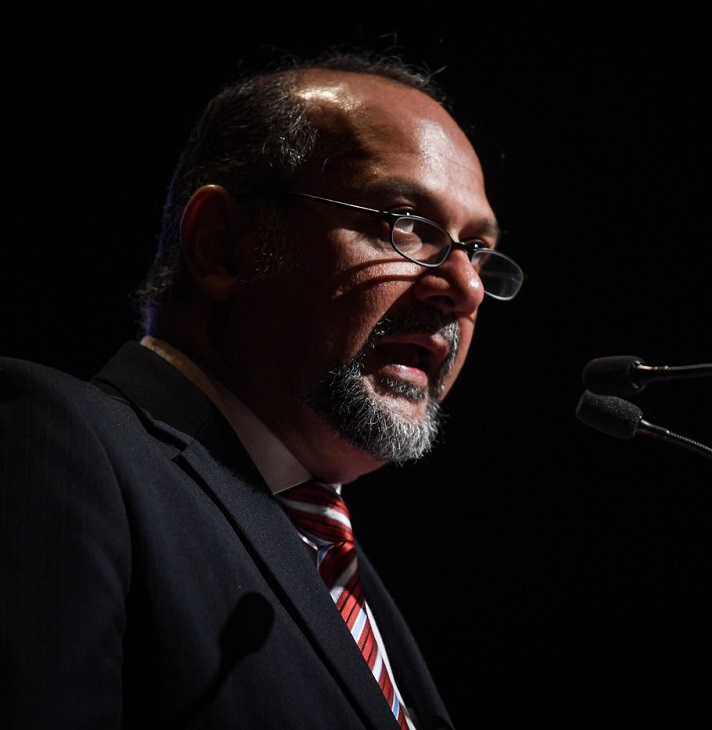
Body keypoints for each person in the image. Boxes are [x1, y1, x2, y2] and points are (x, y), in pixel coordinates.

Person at [0, 47, 523, 729]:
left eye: (476, 250)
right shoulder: (54, 447)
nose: (466, 287)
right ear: (223, 246)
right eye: (406, 225)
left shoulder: (341, 571)